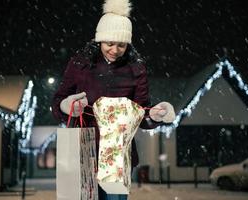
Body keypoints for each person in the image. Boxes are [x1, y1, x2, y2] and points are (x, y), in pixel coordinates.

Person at [51, 0, 175, 199]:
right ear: (99, 39)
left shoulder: (136, 69)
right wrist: (67, 106)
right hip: (83, 150)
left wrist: (155, 115)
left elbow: (141, 114)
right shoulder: (80, 64)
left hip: (118, 154)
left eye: (121, 45)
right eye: (110, 43)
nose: (115, 50)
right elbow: (57, 103)